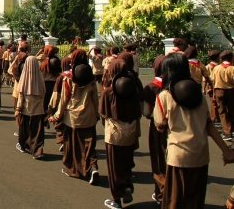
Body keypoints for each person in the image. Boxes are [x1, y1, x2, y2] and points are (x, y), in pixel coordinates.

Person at [154, 53, 234, 208]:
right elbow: (209, 126)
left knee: (174, 200)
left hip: (178, 156)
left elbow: (159, 124)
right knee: (195, 201)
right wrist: (226, 150)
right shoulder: (199, 96)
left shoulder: (164, 96)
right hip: (201, 155)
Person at [49, 49, 100, 185]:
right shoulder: (91, 78)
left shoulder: (69, 78)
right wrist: (97, 114)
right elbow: (95, 99)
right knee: (89, 145)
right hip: (89, 116)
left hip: (72, 117)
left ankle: (73, 169)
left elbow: (64, 100)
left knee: (72, 145)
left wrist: (56, 115)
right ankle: (93, 167)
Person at [100, 59, 143, 209]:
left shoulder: (108, 92)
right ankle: (127, 186)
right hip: (131, 130)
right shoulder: (134, 89)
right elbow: (139, 111)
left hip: (114, 133)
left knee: (114, 166)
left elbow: (104, 115)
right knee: (126, 161)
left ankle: (116, 199)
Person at [142, 55, 167, 205]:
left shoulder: (151, 87)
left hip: (157, 127)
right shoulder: (177, 86)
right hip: (178, 128)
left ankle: (161, 193)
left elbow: (146, 112)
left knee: (159, 160)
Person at [14, 56, 47, 159]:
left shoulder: (24, 77)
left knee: (25, 129)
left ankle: (24, 145)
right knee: (37, 131)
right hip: (38, 109)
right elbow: (44, 92)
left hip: (26, 108)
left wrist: (18, 109)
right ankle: (38, 151)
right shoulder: (40, 77)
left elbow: (21, 94)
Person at [211, 51, 234, 141]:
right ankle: (232, 129)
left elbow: (212, 79)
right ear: (231, 58)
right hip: (231, 91)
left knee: (222, 111)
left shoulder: (216, 68)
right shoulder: (232, 68)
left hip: (219, 91)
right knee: (232, 110)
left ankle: (227, 132)